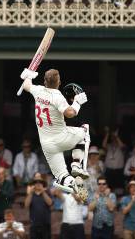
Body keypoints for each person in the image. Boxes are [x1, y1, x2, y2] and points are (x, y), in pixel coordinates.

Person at [20, 68, 90, 197]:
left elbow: (26, 85)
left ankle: (70, 182)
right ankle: (77, 166)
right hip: (61, 137)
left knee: (62, 175)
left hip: (47, 144)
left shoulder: (38, 90)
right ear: (59, 82)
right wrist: (77, 103)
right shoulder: (57, 96)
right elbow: (70, 113)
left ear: (44, 81)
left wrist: (28, 75)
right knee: (85, 131)